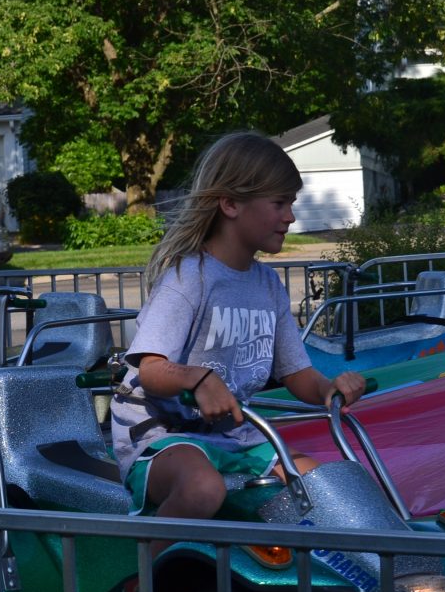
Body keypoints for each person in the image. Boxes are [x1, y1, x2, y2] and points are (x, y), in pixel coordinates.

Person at [110, 131, 366, 554]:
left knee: (329, 491)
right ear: (230, 204)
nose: (290, 217)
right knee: (203, 489)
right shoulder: (188, 276)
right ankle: (141, 586)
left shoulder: (267, 284)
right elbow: (150, 369)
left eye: (291, 203)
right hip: (158, 437)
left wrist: (329, 388)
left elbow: (297, 373)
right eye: (279, 203)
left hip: (235, 438)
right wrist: (199, 378)